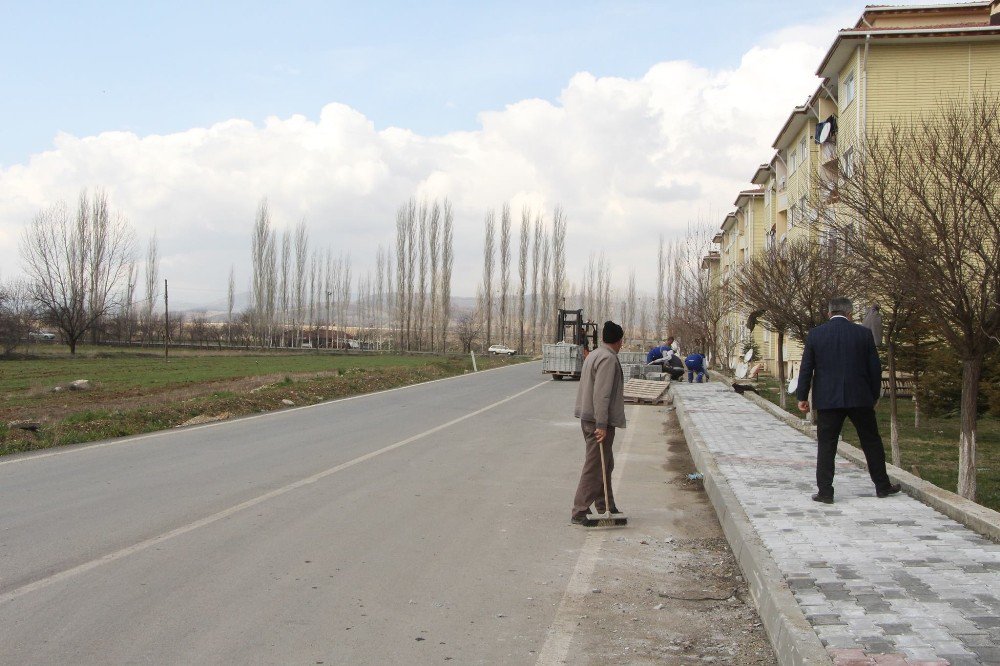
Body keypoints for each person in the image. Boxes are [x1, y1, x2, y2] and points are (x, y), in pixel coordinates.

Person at [796, 297, 901, 504]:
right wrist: (873, 395)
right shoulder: (863, 334)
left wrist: (802, 396)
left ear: (829, 313)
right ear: (850, 314)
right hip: (860, 398)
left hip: (828, 400)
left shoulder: (816, 334)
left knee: (827, 445)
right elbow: (874, 368)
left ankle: (825, 492)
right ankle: (882, 486)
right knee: (871, 442)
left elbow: (806, 367)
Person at [571, 321, 626, 524]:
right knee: (595, 465)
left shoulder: (594, 354)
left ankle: (605, 505)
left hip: (588, 417)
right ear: (619, 341)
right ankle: (579, 510)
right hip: (597, 420)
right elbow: (601, 395)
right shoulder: (608, 359)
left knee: (605, 462)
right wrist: (601, 425)